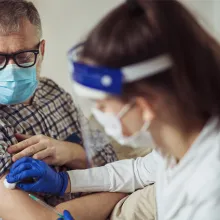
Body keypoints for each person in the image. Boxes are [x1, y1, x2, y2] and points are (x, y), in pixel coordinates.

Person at [6, 0, 220, 219]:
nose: (98, 113)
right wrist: (64, 182)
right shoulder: (176, 146)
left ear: (145, 105)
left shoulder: (209, 192)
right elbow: (138, 170)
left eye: (102, 104)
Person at [0, 0, 126, 219]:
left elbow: (108, 158)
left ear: (41, 51)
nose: (11, 70)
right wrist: (117, 194)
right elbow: (37, 215)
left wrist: (65, 151)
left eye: (23, 57)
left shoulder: (53, 92)